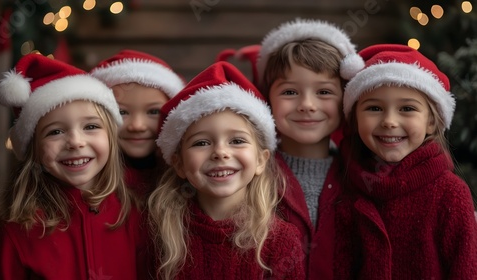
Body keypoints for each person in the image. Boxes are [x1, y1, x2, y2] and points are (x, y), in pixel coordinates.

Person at [0, 54, 145, 280]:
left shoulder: (135, 214)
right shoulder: (19, 228)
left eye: (91, 126)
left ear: (111, 137)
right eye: (55, 131)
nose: (75, 141)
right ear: (34, 149)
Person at [146, 61, 305, 280]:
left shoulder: (280, 241)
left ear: (260, 160)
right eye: (201, 143)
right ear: (179, 164)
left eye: (237, 140)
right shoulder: (162, 234)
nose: (220, 152)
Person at [335, 44, 477, 279]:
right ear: (354, 119)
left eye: (407, 108)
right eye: (374, 108)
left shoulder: (450, 194)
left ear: (431, 122)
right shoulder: (346, 184)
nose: (389, 121)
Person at [255, 18, 364, 279]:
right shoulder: (252, 175)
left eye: (324, 92)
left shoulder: (360, 175)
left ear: (345, 100)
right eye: (290, 92)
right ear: (267, 99)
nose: (307, 104)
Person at [91, 49, 185, 201]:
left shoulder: (188, 177)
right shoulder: (87, 181)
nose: (137, 125)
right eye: (121, 112)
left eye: (154, 111)